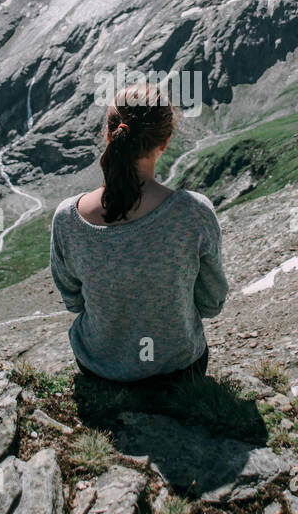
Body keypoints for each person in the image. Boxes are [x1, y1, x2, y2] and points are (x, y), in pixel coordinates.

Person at [49, 82, 228, 384]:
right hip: (179, 368)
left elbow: (74, 302)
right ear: (165, 141)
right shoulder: (194, 212)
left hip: (99, 367)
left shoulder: (67, 217)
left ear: (108, 135)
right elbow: (212, 303)